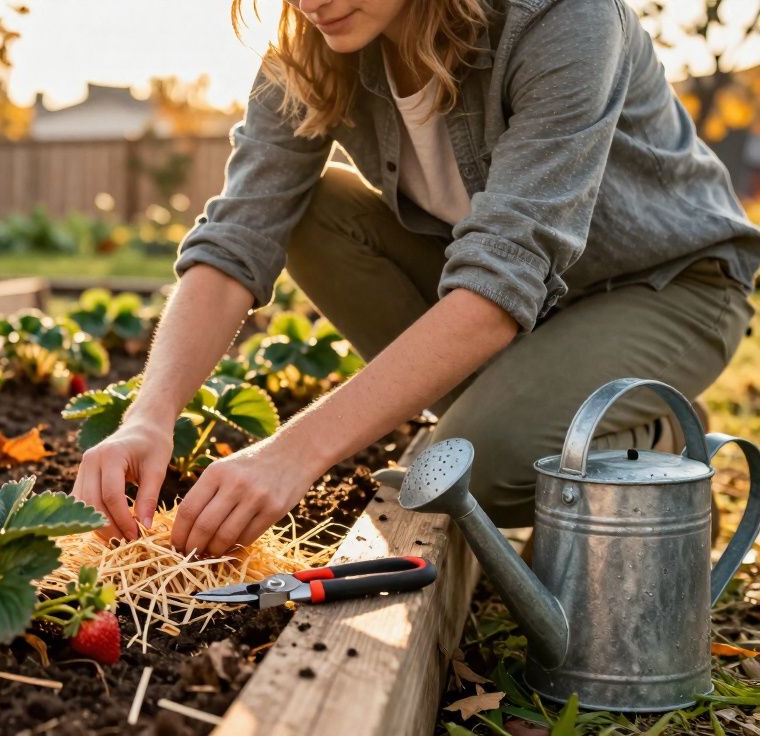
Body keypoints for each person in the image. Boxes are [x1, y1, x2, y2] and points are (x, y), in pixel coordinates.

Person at [70, 0, 760, 556]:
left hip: (669, 288)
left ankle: (654, 428)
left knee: (471, 469)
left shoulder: (560, 17)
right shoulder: (313, 46)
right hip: (525, 308)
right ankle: (539, 403)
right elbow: (238, 235)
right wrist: (148, 416)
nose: (309, 4)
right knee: (311, 211)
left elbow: (500, 281)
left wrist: (293, 454)